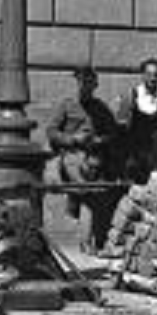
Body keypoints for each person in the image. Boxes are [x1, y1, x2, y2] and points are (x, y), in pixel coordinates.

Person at [46, 65, 121, 252]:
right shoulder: (67, 105)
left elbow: (113, 134)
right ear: (77, 83)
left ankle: (76, 204)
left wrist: (98, 140)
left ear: (95, 85)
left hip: (94, 158)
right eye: (81, 82)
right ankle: (86, 239)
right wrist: (72, 139)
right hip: (71, 156)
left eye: (89, 83)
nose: (84, 86)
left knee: (89, 193)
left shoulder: (100, 108)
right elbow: (51, 132)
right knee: (89, 191)